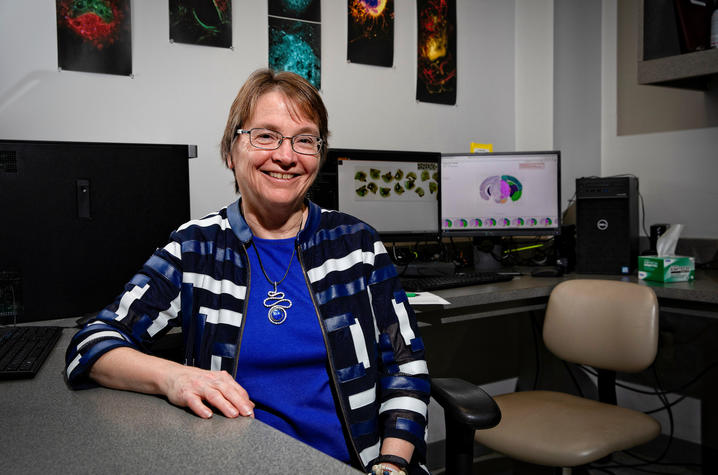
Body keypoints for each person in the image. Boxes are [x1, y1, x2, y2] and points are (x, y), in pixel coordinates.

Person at [65, 69, 431, 475]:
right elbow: (91, 344)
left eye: (305, 140)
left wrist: (393, 463)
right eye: (266, 135)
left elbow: (406, 368)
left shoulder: (357, 245)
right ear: (230, 151)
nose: (287, 156)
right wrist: (175, 378)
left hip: (357, 465)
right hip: (235, 463)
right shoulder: (196, 248)